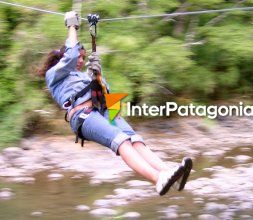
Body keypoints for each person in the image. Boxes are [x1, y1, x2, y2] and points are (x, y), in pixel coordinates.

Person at [38, 11, 192, 196]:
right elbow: (70, 56)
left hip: (103, 111)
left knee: (135, 140)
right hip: (84, 116)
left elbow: (106, 93)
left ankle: (168, 173)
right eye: (79, 57)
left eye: (83, 57)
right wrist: (72, 26)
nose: (80, 60)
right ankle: (157, 179)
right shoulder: (55, 75)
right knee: (122, 141)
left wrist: (98, 75)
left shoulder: (82, 76)